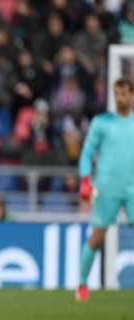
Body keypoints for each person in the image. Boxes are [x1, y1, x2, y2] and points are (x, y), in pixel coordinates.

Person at [76, 78, 134, 302]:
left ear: (132, 95)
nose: (120, 98)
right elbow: (87, 153)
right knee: (97, 236)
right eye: (116, 94)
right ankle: (81, 283)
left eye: (124, 94)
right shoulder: (102, 122)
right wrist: (85, 180)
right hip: (107, 187)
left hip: (132, 188)